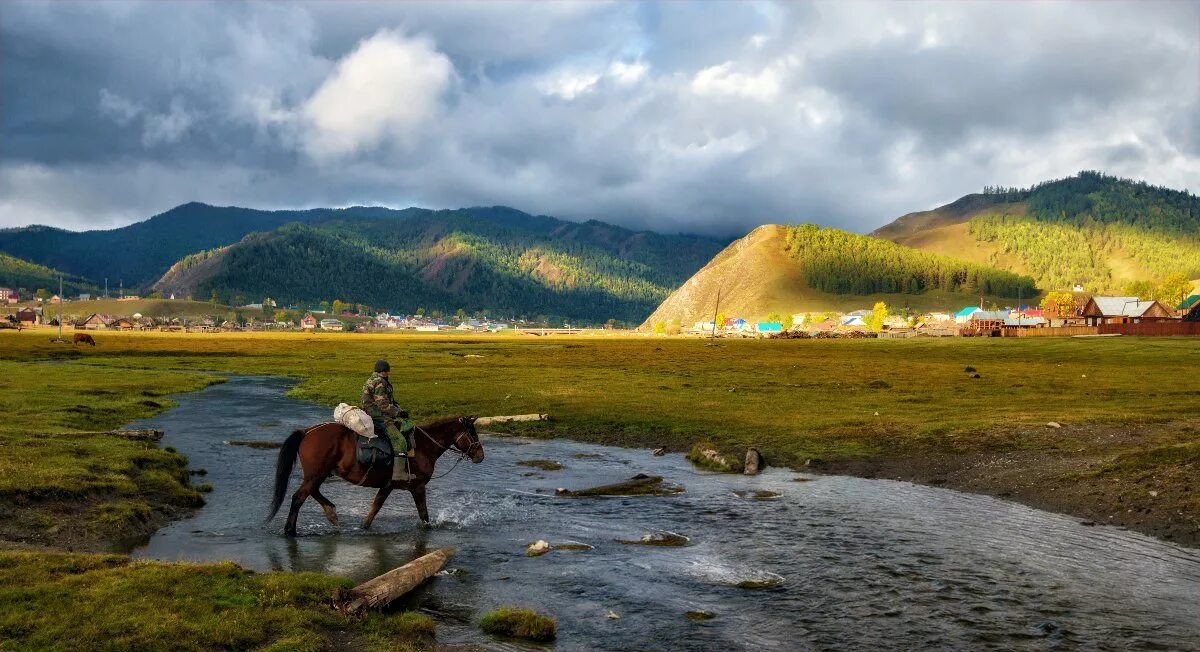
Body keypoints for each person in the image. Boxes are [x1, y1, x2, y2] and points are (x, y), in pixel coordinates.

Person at [361, 360, 413, 480]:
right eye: (387, 371)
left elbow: (389, 400)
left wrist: (398, 409)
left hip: (371, 412)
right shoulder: (379, 383)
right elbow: (383, 404)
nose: (388, 373)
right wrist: (398, 412)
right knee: (399, 440)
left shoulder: (371, 379)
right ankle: (398, 473)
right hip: (378, 415)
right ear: (384, 372)